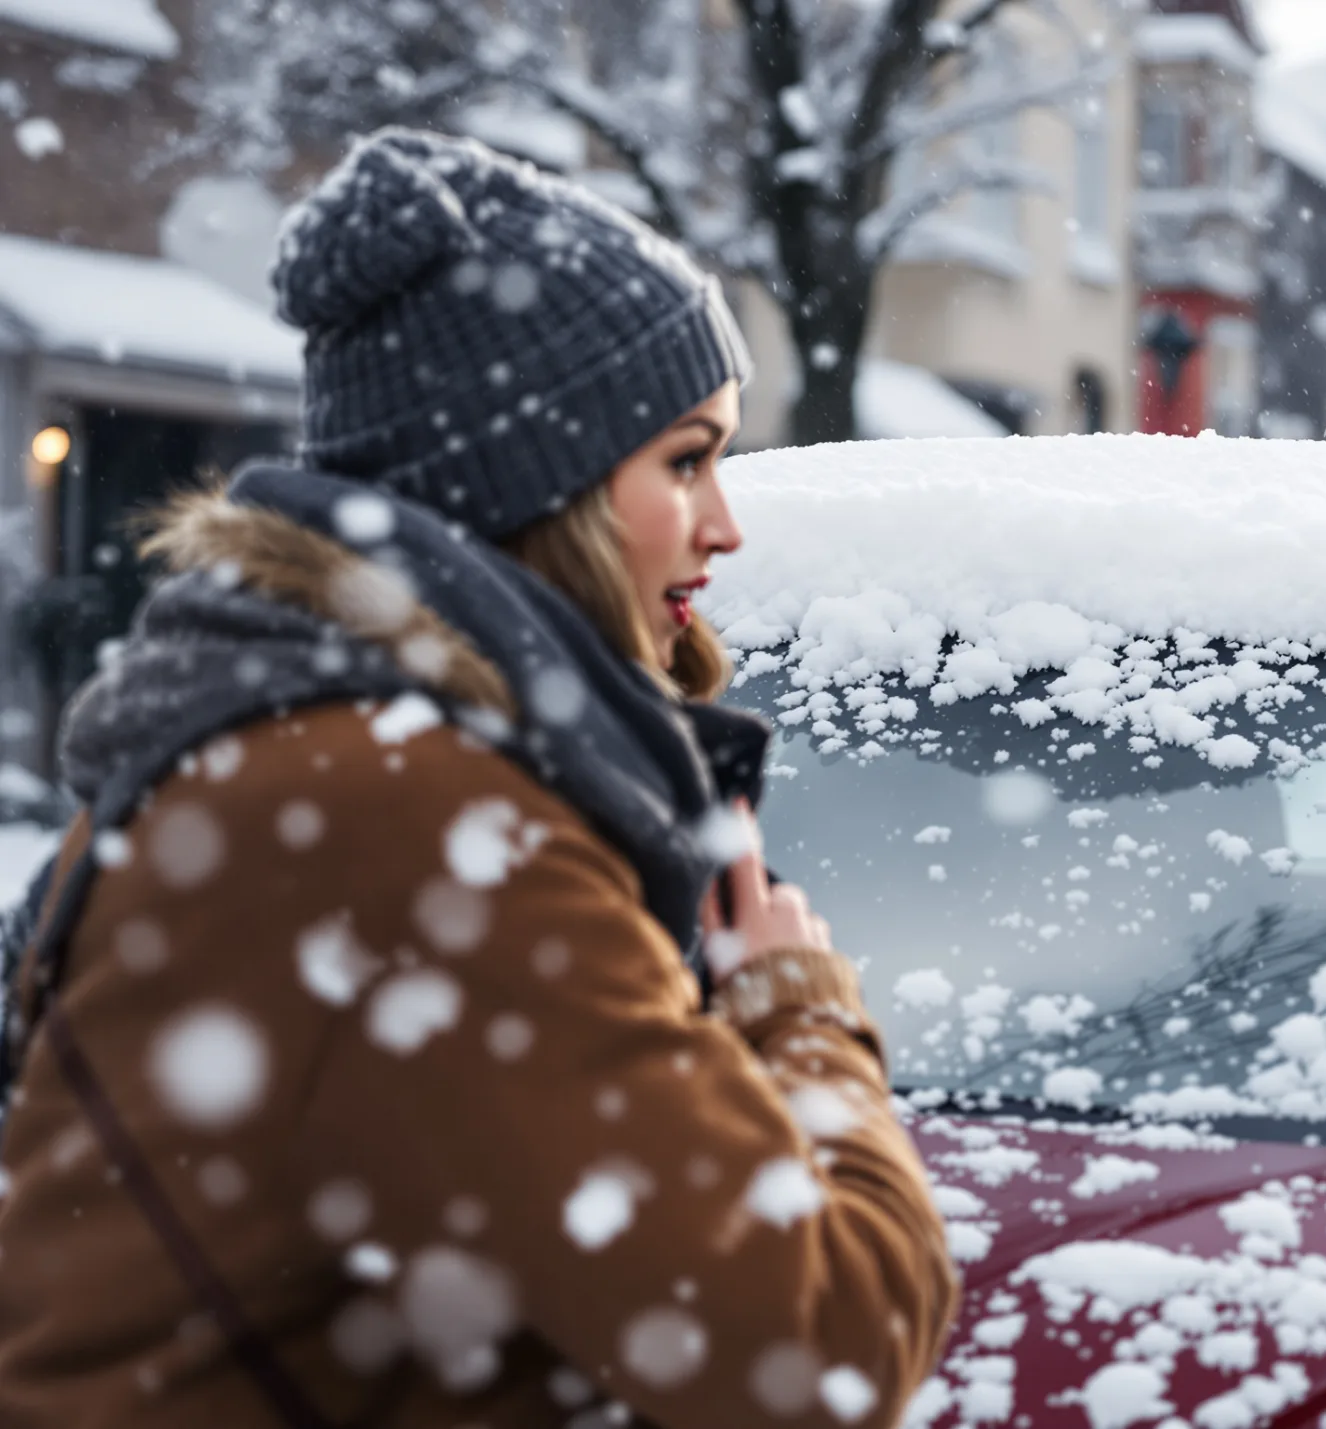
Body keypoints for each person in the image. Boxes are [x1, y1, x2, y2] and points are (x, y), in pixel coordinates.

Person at [0, 130, 954, 1427]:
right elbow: (822, 1347)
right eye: (685, 459)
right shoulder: (406, 827)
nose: (726, 523)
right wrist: (800, 1016)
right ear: (539, 489)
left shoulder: (295, 758)